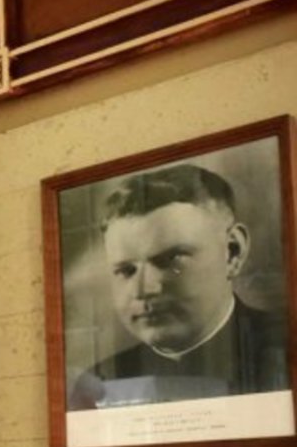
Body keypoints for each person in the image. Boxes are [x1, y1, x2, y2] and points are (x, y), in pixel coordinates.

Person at [68, 163, 290, 410]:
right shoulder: (97, 383)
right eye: (126, 270)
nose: (143, 290)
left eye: (170, 260)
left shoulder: (286, 346)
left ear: (232, 252)